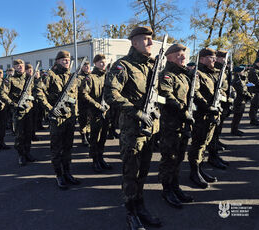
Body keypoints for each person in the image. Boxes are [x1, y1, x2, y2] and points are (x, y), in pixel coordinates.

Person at [104, 26, 161, 230]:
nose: (150, 43)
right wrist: (138, 113)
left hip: (150, 128)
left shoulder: (151, 67)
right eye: (146, 39)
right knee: (131, 174)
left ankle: (141, 206)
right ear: (134, 42)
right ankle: (131, 212)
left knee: (144, 172)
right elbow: (111, 95)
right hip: (132, 131)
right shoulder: (123, 66)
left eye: (150, 39)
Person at [35, 50, 80, 189]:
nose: (66, 62)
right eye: (63, 60)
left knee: (68, 148)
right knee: (56, 148)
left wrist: (76, 114)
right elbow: (38, 91)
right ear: (57, 61)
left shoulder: (72, 77)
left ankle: (67, 173)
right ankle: (59, 175)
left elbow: (75, 97)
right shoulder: (50, 75)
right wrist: (50, 108)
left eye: (68, 60)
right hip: (57, 119)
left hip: (69, 118)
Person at [158, 44, 195, 209]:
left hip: (183, 125)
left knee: (179, 158)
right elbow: (167, 96)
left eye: (183, 55)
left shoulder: (184, 75)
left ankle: (175, 186)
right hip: (171, 126)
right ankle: (167, 190)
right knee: (169, 159)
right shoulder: (167, 75)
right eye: (179, 55)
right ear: (170, 56)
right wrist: (183, 112)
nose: (183, 57)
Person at [188, 48, 222, 189]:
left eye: (214, 57)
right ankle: (194, 172)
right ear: (202, 59)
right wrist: (207, 106)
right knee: (198, 144)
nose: (214, 59)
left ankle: (200, 168)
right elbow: (194, 92)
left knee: (205, 144)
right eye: (210, 57)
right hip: (202, 115)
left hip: (212, 114)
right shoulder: (198, 74)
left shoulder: (215, 74)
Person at [0, 59, 37, 166]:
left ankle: (28, 152)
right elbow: (2, 94)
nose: (20, 67)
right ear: (14, 67)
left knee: (29, 133)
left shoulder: (29, 78)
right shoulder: (10, 79)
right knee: (20, 135)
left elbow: (34, 90)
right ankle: (21, 155)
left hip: (28, 110)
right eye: (17, 65)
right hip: (18, 111)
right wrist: (13, 104)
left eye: (22, 65)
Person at [81, 54, 111, 172]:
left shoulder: (107, 77)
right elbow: (84, 94)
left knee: (103, 137)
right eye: (101, 62)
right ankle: (95, 160)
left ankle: (101, 157)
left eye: (104, 62)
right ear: (95, 63)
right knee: (95, 138)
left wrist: (108, 105)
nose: (103, 64)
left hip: (106, 112)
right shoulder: (90, 77)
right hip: (95, 112)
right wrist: (98, 105)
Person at [206, 50, 230, 170]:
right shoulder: (213, 71)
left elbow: (225, 87)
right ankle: (212, 156)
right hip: (210, 108)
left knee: (216, 133)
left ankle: (214, 155)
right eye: (223, 58)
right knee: (210, 135)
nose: (225, 60)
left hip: (221, 105)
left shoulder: (222, 70)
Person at [231, 66, 252, 136]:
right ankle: (234, 130)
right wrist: (250, 95)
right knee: (237, 116)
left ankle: (235, 129)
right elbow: (242, 91)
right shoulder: (237, 80)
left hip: (242, 100)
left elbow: (246, 84)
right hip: (238, 101)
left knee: (239, 116)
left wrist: (251, 85)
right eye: (242, 71)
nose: (244, 72)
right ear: (239, 72)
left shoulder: (241, 79)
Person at [77, 61, 91, 146]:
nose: (87, 67)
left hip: (90, 102)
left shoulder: (91, 76)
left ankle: (88, 135)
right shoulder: (79, 77)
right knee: (82, 120)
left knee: (89, 120)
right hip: (82, 102)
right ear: (82, 67)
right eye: (85, 66)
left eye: (88, 66)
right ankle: (84, 137)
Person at [248, 57, 259, 126]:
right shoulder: (253, 70)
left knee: (257, 106)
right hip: (255, 91)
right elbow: (257, 82)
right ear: (256, 63)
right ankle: (253, 120)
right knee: (254, 106)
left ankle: (254, 119)